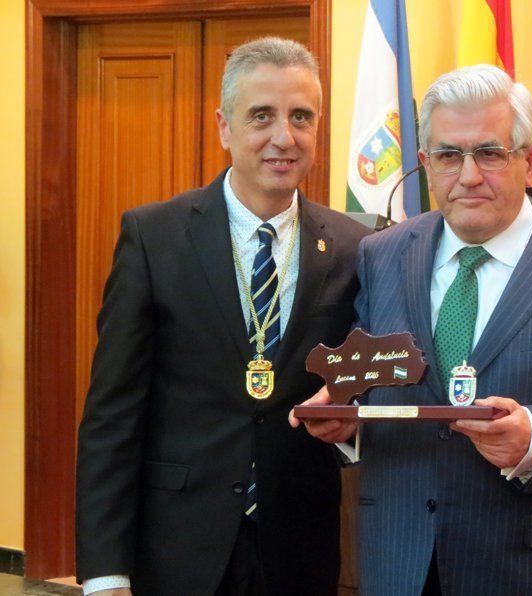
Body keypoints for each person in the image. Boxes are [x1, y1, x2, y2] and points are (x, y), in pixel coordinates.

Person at [291, 64, 532, 595]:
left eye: (489, 153)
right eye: (448, 155)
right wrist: (345, 419)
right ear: (425, 163)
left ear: (530, 161)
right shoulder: (383, 254)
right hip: (400, 565)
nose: (467, 176)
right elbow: (371, 376)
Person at [76, 37, 369, 596]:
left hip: (299, 549)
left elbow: (362, 387)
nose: (284, 137)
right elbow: (111, 416)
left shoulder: (357, 247)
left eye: (301, 117)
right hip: (177, 547)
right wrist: (105, 572)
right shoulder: (154, 238)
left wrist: (354, 423)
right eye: (262, 116)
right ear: (224, 127)